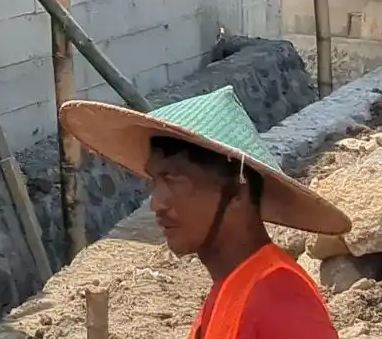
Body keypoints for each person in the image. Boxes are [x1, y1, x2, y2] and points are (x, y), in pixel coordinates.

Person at [62, 89, 347, 338]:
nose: (157, 203)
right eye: (154, 183)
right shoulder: (232, 288)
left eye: (173, 180)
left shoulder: (279, 297)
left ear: (237, 191)